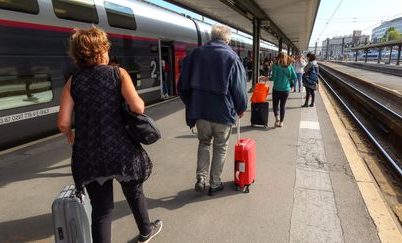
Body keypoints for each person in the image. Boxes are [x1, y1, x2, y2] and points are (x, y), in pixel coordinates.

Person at [57, 27, 162, 243]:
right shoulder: (118, 73)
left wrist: (70, 136)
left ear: (78, 55)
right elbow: (138, 107)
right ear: (101, 50)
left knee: (102, 211)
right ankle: (145, 231)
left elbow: (63, 122)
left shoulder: (72, 82)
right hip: (122, 150)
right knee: (134, 192)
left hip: (89, 153)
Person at [178, 25, 248, 196]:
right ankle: (215, 184)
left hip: (200, 111)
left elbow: (182, 86)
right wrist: (241, 108)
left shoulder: (195, 54)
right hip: (223, 113)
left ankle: (200, 178)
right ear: (227, 39)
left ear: (212, 37)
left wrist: (192, 103)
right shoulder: (232, 57)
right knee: (220, 147)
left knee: (204, 143)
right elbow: (239, 89)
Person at [262, 52, 297, 128]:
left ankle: (277, 118)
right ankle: (281, 122)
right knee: (282, 106)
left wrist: (266, 78)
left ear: (278, 57)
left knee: (275, 105)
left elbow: (273, 78)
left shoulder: (275, 66)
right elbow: (294, 77)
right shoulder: (289, 66)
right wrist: (288, 80)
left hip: (277, 89)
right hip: (286, 89)